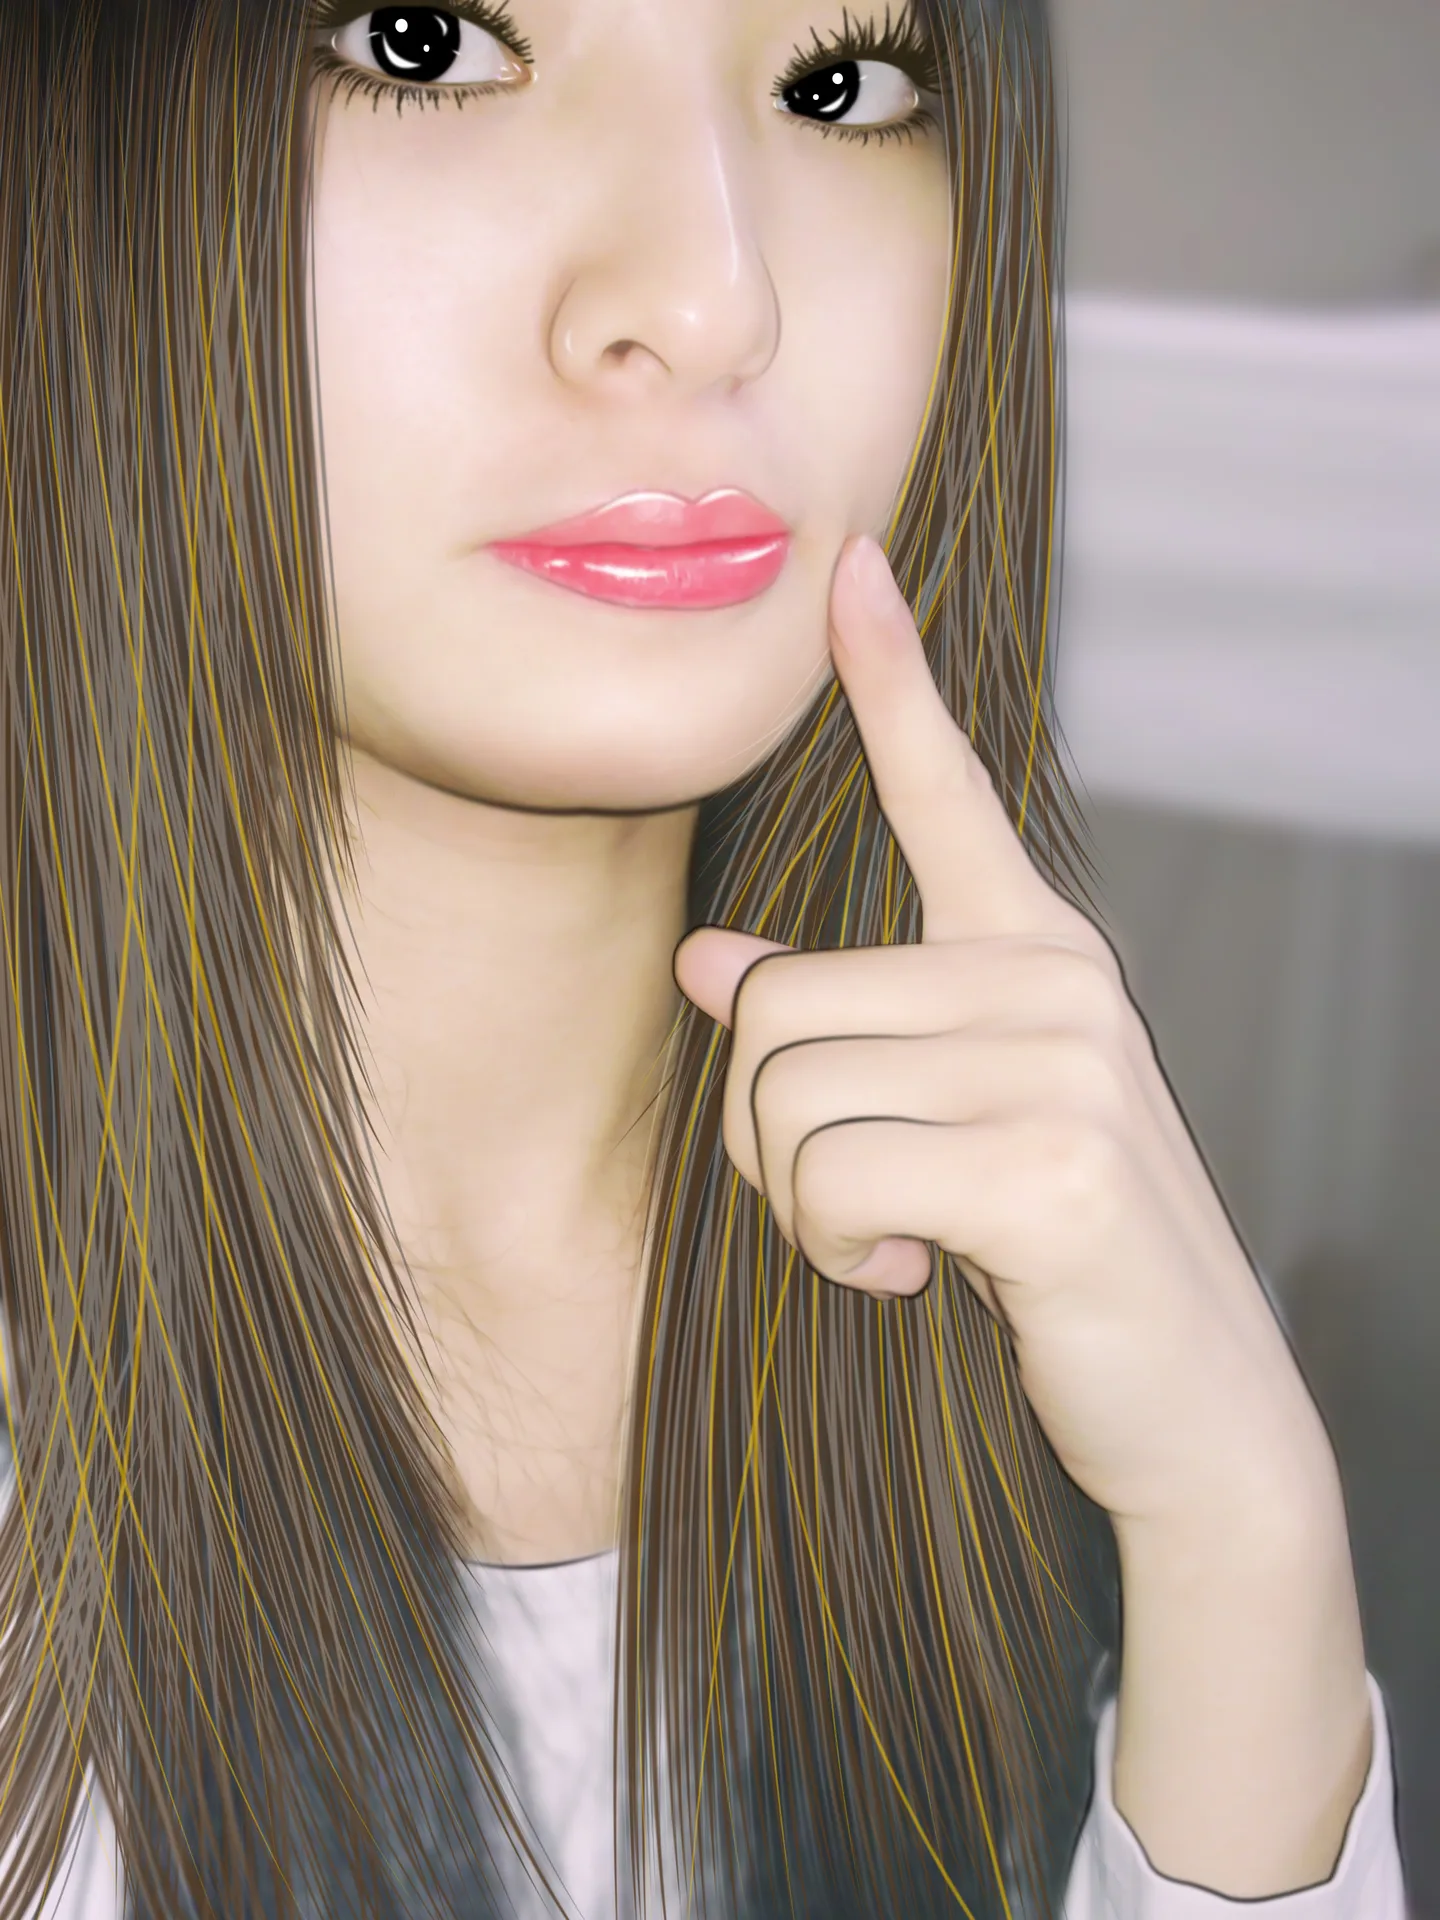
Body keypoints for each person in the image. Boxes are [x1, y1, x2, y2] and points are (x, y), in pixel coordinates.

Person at [0, 2, 1407, 1916]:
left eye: (841, 86)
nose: (712, 296)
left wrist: (1243, 1543)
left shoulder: (1059, 1332)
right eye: (426, 45)